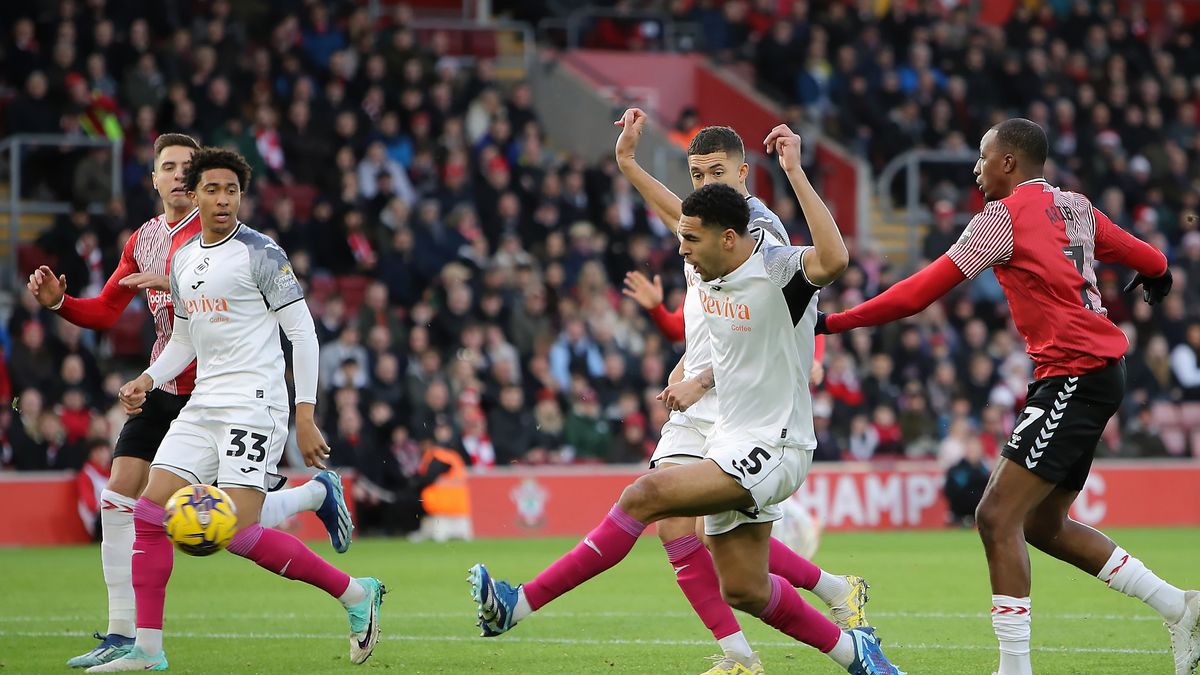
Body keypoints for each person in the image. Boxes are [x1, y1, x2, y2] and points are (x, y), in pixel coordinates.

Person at [470, 129, 904, 675]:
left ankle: (518, 605)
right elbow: (686, 233)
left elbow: (829, 266)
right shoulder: (709, 262)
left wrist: (795, 171)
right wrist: (627, 164)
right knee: (744, 587)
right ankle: (851, 651)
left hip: (774, 439)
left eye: (690, 241)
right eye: (696, 175)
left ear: (730, 227)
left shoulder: (770, 262)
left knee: (645, 497)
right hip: (728, 433)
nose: (681, 252)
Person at [817, 118, 1199, 675]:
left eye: (982, 156)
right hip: (1092, 370)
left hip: (1075, 371)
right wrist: (1160, 274)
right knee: (1041, 525)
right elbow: (1147, 256)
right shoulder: (1078, 207)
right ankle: (1179, 606)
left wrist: (832, 323)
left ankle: (1015, 670)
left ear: (1009, 163)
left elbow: (915, 296)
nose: (976, 168)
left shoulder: (1000, 219)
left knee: (996, 517)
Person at [26, 133, 354, 670]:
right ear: (168, 183)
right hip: (190, 395)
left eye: (228, 189)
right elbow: (153, 327)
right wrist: (140, 375)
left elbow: (303, 332)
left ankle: (348, 581)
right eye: (200, 183)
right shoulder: (162, 248)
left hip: (250, 399)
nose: (216, 196)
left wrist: (305, 413)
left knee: (236, 528)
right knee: (137, 506)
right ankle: (134, 643)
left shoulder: (258, 250)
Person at [614, 112, 868, 674]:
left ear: (744, 172)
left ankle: (745, 655)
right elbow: (678, 222)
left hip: (739, 401)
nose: (706, 185)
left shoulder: (755, 229)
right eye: (698, 175)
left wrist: (706, 377)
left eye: (717, 172)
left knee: (666, 510)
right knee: (726, 564)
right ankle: (830, 602)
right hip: (713, 394)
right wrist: (628, 163)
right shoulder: (702, 228)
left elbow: (801, 293)